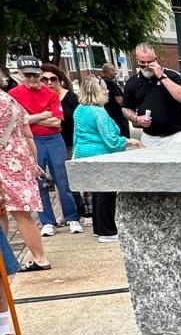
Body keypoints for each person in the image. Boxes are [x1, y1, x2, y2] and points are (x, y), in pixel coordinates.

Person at [8, 56, 82, 235]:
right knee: (38, 181)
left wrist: (30, 119)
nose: (32, 79)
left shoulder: (50, 93)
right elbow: (18, 121)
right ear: (20, 75)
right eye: (28, 76)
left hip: (54, 138)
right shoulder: (14, 94)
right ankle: (47, 221)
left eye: (35, 75)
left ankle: (71, 217)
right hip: (32, 141)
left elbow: (57, 121)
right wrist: (42, 115)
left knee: (62, 179)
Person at [73, 77, 143, 241]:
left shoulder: (80, 109)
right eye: (104, 88)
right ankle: (108, 231)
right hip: (101, 155)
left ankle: (99, 228)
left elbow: (77, 135)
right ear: (97, 91)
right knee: (106, 194)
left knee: (98, 193)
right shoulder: (99, 112)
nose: (108, 91)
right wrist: (130, 141)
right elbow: (111, 141)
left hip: (84, 154)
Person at [0, 87, 52, 273]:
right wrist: (33, 162)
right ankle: (7, 257)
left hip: (5, 163)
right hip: (21, 158)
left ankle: (39, 258)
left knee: (17, 213)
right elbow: (28, 134)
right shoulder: (10, 100)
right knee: (13, 211)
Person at [122, 43, 181, 146]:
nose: (146, 66)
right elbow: (126, 108)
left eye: (150, 62)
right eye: (142, 62)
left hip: (178, 135)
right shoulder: (132, 82)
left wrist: (162, 77)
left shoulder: (172, 75)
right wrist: (137, 118)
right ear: (137, 60)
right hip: (150, 138)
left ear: (155, 59)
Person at [42, 63, 86, 219]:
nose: (49, 83)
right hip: (52, 142)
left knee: (71, 178)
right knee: (59, 180)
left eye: (52, 79)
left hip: (72, 143)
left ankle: (81, 210)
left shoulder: (70, 97)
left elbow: (80, 120)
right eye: (44, 80)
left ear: (59, 80)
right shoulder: (42, 98)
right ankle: (64, 212)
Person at [99, 63, 129, 137]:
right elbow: (119, 100)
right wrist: (128, 106)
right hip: (117, 116)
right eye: (113, 70)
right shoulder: (110, 83)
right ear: (106, 71)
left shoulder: (100, 82)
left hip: (107, 115)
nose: (115, 71)